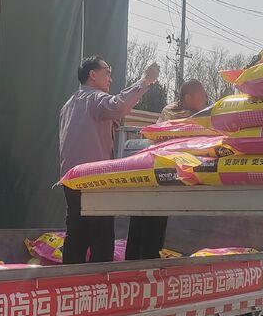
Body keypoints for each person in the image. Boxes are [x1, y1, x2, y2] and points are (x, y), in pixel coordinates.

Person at [59, 56, 160, 264]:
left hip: (70, 179)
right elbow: (118, 105)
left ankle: (68, 278)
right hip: (94, 180)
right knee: (101, 237)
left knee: (76, 233)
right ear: (92, 75)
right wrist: (145, 81)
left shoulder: (69, 105)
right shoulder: (95, 99)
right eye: (107, 72)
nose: (110, 79)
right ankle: (101, 279)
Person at [125, 79, 210, 260]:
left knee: (140, 225)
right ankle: (146, 269)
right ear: (188, 98)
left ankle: (132, 266)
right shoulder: (188, 118)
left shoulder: (169, 111)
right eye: (202, 94)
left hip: (148, 172)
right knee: (152, 229)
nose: (206, 97)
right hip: (159, 175)